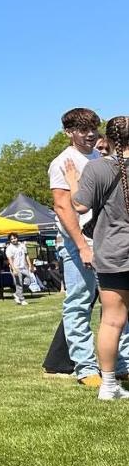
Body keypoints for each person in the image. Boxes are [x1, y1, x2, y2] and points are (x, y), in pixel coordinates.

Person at [48, 107, 129, 387]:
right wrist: (82, 246)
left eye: (94, 128)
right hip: (77, 243)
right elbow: (64, 207)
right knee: (79, 304)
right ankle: (85, 368)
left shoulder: (101, 156)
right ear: (69, 133)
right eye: (83, 130)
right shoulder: (63, 162)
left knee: (117, 307)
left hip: (107, 243)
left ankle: (121, 364)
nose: (90, 134)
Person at [71, 115, 129, 401]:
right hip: (117, 253)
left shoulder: (97, 168)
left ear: (108, 138)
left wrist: (74, 182)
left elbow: (80, 205)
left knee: (112, 321)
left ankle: (107, 386)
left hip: (114, 252)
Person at [4, 233, 30, 305]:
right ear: (10, 240)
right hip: (16, 268)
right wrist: (14, 269)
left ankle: (17, 294)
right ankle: (22, 300)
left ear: (17, 238)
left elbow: (26, 255)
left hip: (24, 267)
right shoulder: (9, 248)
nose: (13, 240)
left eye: (14, 238)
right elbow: (10, 259)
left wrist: (30, 265)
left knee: (28, 282)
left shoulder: (22, 245)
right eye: (11, 239)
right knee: (19, 284)